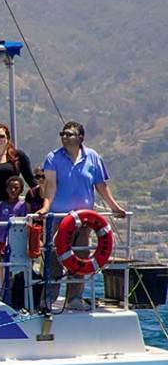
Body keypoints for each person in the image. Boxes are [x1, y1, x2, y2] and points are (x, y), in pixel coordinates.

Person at [36, 119, 127, 311]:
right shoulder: (53, 158)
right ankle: (48, 298)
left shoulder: (93, 157)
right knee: (54, 257)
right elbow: (50, 186)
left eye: (69, 134)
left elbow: (101, 186)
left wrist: (114, 207)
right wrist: (45, 207)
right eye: (62, 134)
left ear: (80, 137)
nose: (64, 137)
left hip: (84, 220)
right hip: (59, 217)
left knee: (80, 256)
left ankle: (74, 298)